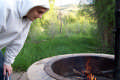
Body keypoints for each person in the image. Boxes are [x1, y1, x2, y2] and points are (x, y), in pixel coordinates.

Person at [0, 0, 50, 79]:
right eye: (39, 12)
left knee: (5, 74)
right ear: (30, 4)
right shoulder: (5, 7)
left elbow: (18, 42)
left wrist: (7, 62)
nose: (40, 17)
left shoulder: (27, 18)